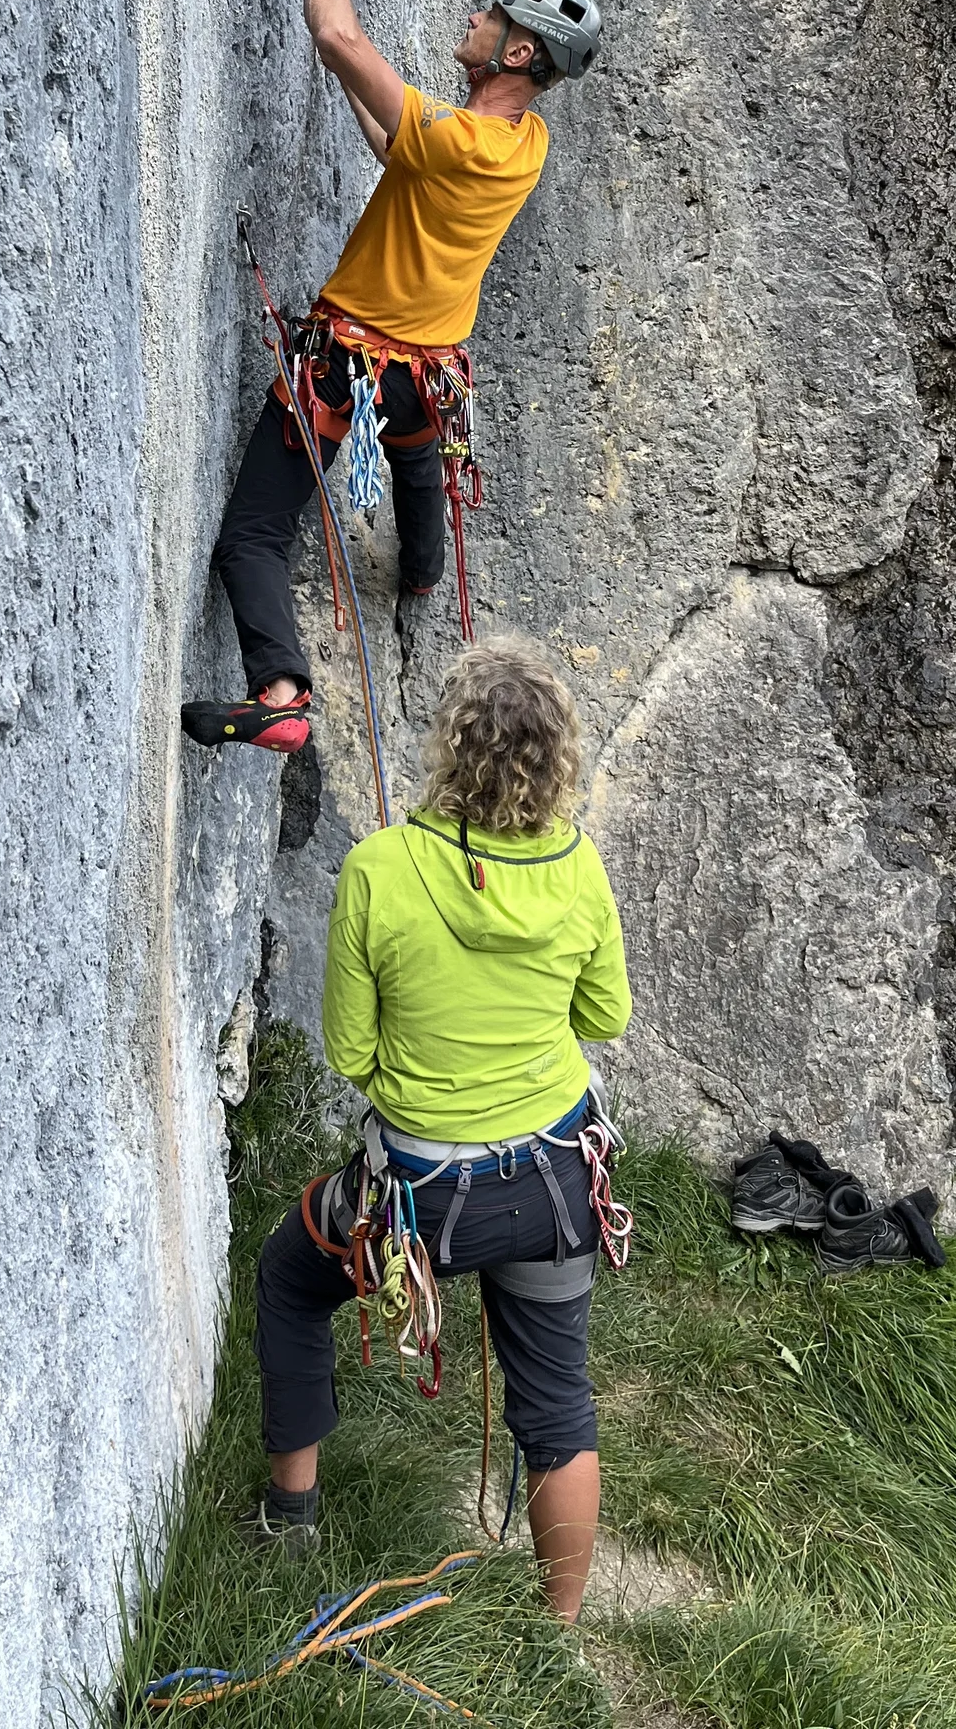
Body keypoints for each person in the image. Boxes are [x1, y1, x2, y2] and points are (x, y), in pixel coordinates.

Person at [180, 0, 601, 753]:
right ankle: (418, 576)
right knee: (420, 477)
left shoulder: (461, 139)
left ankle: (282, 695)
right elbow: (395, 142)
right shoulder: (522, 146)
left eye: (488, 16)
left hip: (346, 369)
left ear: (517, 52)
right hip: (425, 383)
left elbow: (340, 40)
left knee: (252, 536)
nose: (473, 18)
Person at [251, 639, 632, 1623]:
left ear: (450, 747)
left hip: (422, 1201)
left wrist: (427, 1091)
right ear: (558, 761)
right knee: (556, 1402)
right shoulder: (579, 867)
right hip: (554, 1181)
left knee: (288, 1281)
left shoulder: (381, 868)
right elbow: (605, 1015)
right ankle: (559, 1627)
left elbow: (347, 1052)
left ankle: (287, 1520)